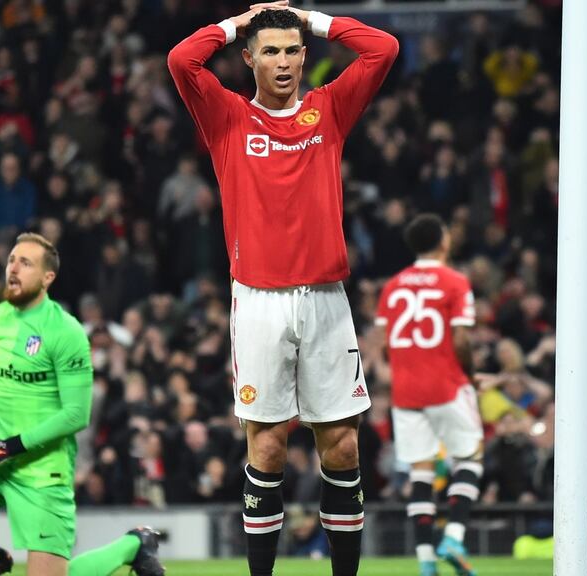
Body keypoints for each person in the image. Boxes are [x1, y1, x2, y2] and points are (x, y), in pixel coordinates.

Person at [168, 2, 398, 575]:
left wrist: (311, 18)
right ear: (248, 59)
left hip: (326, 299)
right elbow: (181, 59)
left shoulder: (329, 109)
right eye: (269, 50)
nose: (283, 61)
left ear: (306, 56)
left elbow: (384, 48)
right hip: (260, 301)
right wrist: (233, 23)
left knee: (342, 447)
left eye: (293, 50)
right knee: (267, 447)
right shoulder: (227, 119)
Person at [0, 232, 165, 576]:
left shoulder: (66, 332)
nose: (13, 269)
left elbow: (76, 414)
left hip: (41, 470)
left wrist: (10, 446)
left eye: (26, 263)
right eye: (11, 260)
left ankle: (134, 544)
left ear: (47, 277)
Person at [375, 214, 482, 576]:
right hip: (447, 385)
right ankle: (453, 536)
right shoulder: (454, 281)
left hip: (405, 393)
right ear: (443, 241)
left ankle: (425, 563)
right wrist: (470, 374)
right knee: (470, 457)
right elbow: (462, 338)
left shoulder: (393, 286)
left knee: (421, 473)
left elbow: (384, 342)